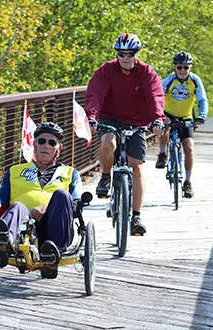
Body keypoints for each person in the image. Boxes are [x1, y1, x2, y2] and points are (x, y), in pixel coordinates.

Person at [85, 33, 165, 236]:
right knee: (107, 142)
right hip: (110, 117)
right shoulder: (107, 70)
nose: (126, 58)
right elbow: (95, 92)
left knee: (136, 167)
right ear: (117, 54)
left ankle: (136, 216)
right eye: (121, 54)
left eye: (130, 54)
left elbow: (155, 94)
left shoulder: (146, 72)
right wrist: (92, 116)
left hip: (138, 121)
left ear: (136, 54)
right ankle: (105, 177)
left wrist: (157, 118)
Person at [0, 122, 83, 278]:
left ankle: (52, 253)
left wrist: (46, 207)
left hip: (53, 228)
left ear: (58, 148)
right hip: (21, 227)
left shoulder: (71, 173)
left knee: (63, 196)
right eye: (41, 141)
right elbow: (0, 201)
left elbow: (77, 205)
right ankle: (3, 244)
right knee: (17, 206)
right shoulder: (15, 171)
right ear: (34, 145)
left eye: (52, 143)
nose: (46, 146)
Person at [155, 51, 208, 199]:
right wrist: (160, 115)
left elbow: (202, 100)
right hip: (168, 115)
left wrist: (201, 116)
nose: (183, 71)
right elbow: (157, 97)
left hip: (186, 117)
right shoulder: (169, 81)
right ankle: (162, 154)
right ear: (175, 68)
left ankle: (187, 182)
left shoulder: (195, 81)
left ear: (190, 68)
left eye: (186, 67)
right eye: (179, 67)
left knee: (189, 148)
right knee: (164, 129)